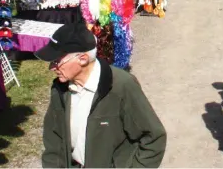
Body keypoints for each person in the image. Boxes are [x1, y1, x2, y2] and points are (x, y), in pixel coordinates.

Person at [38, 23, 166, 168]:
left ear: (82, 59)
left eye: (57, 61)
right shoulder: (60, 89)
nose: (52, 67)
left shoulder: (121, 86)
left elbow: (154, 137)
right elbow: (54, 142)